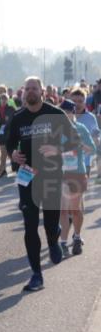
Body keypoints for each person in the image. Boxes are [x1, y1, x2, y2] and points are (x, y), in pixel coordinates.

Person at [6, 77, 81, 292]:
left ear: (42, 92)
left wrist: (58, 150)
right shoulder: (18, 118)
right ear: (23, 93)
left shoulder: (55, 114)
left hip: (51, 176)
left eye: (34, 88)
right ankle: (36, 274)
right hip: (27, 176)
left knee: (49, 223)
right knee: (30, 225)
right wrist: (13, 154)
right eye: (27, 88)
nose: (30, 91)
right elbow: (9, 142)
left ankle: (53, 239)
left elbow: (75, 140)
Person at [58, 100, 96, 256]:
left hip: (77, 172)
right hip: (61, 173)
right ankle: (63, 243)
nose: (63, 116)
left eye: (66, 112)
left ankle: (77, 237)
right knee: (63, 210)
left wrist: (81, 145)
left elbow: (92, 149)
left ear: (72, 112)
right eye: (61, 113)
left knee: (75, 209)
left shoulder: (81, 128)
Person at [70, 88, 100, 178]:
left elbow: (96, 138)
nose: (77, 104)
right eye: (74, 101)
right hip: (67, 162)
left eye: (80, 101)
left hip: (85, 163)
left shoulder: (91, 118)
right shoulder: (64, 116)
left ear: (85, 103)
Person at [0, 91, 16, 178]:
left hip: (9, 133)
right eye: (2, 99)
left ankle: (10, 167)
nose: (3, 100)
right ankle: (2, 170)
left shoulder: (11, 109)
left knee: (7, 152)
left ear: (7, 100)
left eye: (5, 99)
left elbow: (13, 120)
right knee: (2, 152)